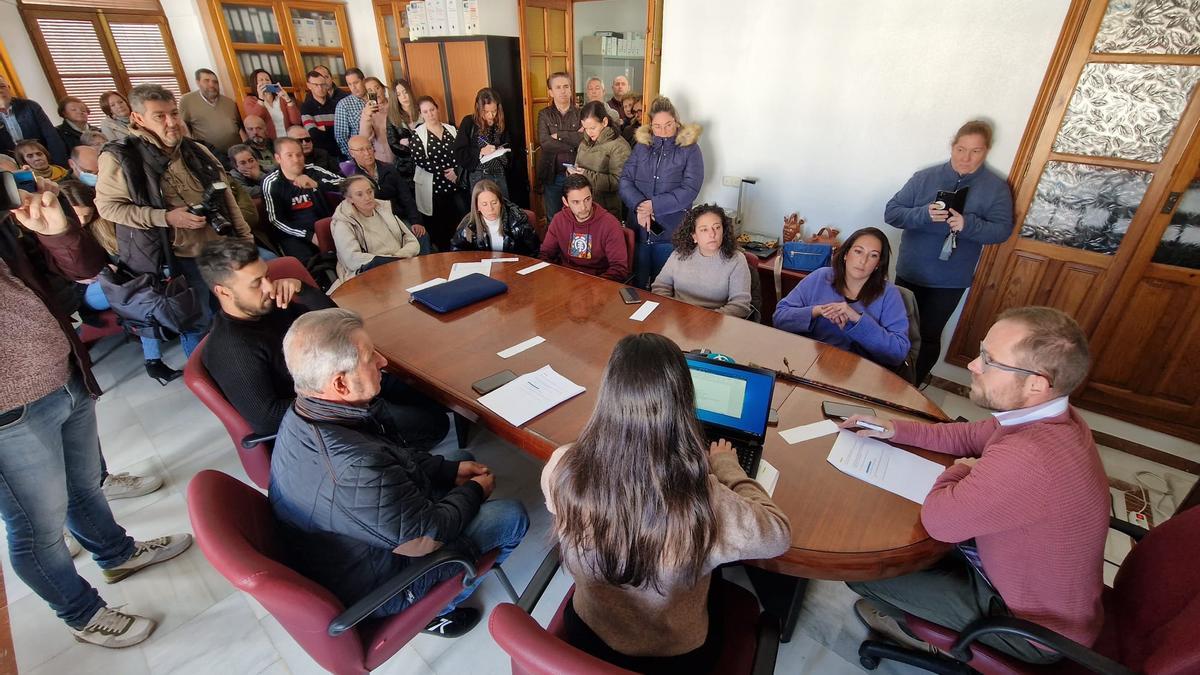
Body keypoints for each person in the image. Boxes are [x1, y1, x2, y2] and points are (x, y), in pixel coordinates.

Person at [843, 306, 1107, 665]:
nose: (973, 365)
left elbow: (939, 520)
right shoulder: (1054, 417)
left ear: (1036, 384)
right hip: (1032, 586)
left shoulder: (1031, 457)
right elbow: (970, 434)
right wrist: (892, 428)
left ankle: (926, 638)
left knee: (863, 567)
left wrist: (961, 472)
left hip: (1028, 628)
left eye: (988, 359)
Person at [0, 179, 192, 648]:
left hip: (63, 377)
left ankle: (117, 553)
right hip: (9, 415)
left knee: (85, 487)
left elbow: (85, 272)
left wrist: (59, 233)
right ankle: (81, 613)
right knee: (37, 528)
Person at [269, 308, 529, 636]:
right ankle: (436, 612)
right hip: (381, 582)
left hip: (358, 542)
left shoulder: (307, 412)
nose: (382, 361)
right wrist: (476, 491)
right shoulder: (354, 467)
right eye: (369, 357)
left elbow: (391, 456)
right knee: (511, 515)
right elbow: (426, 538)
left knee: (461, 458)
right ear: (340, 383)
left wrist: (448, 471)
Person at [542, 333, 791, 669]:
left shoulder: (562, 466)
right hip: (674, 659)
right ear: (685, 403)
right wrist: (728, 468)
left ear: (610, 396)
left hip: (587, 630)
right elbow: (777, 535)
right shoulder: (705, 501)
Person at [197, 239, 450, 445]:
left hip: (348, 382)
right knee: (435, 422)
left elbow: (336, 323)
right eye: (256, 284)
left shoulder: (269, 305)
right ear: (223, 291)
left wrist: (302, 289)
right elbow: (267, 419)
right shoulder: (233, 349)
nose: (268, 286)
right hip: (330, 417)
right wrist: (341, 395)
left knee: (430, 388)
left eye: (266, 275)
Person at [95, 83, 253, 357]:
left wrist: (245, 239)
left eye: (174, 114)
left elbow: (226, 197)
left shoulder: (196, 150)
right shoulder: (121, 156)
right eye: (160, 116)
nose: (171, 123)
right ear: (138, 118)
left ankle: (240, 365)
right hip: (178, 258)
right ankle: (208, 378)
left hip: (219, 247)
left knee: (236, 313)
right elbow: (108, 208)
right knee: (197, 323)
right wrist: (166, 217)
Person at [884, 119, 1015, 385]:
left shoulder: (996, 188)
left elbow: (1002, 231)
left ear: (986, 151)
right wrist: (923, 214)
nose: (966, 157)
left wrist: (969, 225)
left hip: (950, 281)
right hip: (910, 271)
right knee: (897, 329)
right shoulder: (924, 178)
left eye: (975, 151)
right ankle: (887, 381)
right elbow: (892, 213)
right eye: (960, 149)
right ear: (952, 146)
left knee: (929, 335)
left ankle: (912, 387)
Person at [59, 180, 187, 385]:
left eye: (86, 214)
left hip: (119, 282)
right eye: (76, 216)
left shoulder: (104, 223)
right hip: (82, 293)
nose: (82, 220)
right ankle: (156, 359)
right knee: (139, 292)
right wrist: (101, 272)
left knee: (142, 293)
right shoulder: (55, 235)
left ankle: (154, 362)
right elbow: (64, 278)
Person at [773, 227, 910, 367]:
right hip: (811, 364)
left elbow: (898, 352)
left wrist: (856, 319)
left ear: (878, 264)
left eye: (873, 255)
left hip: (864, 373)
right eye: (858, 251)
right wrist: (817, 311)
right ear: (846, 254)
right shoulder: (821, 276)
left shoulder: (889, 294)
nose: (863, 260)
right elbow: (779, 318)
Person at [620, 95, 704, 289]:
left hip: (669, 233)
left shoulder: (690, 149)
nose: (663, 131)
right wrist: (642, 207)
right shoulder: (642, 146)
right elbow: (625, 180)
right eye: (657, 126)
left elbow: (690, 190)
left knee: (665, 290)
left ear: (676, 121)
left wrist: (654, 205)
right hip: (639, 229)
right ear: (650, 125)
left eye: (668, 124)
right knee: (636, 287)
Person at [652, 204, 752, 318]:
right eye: (704, 229)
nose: (712, 234)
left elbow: (740, 306)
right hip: (678, 318)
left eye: (717, 227)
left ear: (724, 231)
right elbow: (660, 286)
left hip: (716, 323)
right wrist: (674, 311)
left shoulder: (737, 260)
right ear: (694, 236)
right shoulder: (679, 254)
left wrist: (705, 319)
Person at [330, 175, 419, 288]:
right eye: (359, 194)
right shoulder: (343, 223)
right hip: (368, 274)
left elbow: (412, 241)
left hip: (400, 265)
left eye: (369, 191)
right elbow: (352, 259)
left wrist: (398, 257)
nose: (367, 197)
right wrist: (388, 261)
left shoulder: (383, 209)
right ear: (349, 199)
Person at [261, 136, 343, 260]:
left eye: (299, 155)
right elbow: (276, 220)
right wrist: (309, 235)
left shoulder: (313, 170)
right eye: (289, 155)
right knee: (312, 263)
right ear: (278, 158)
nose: (296, 160)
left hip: (325, 226)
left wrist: (317, 184)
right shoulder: (271, 183)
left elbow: (347, 183)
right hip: (294, 234)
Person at [539, 174, 628, 281]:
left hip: (598, 284)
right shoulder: (559, 220)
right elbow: (545, 255)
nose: (583, 207)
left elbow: (619, 269)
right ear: (565, 202)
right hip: (565, 281)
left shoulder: (610, 224)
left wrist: (591, 286)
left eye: (587, 199)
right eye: (576, 202)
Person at [347, 134, 426, 249]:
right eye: (361, 150)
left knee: (421, 237)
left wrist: (416, 221)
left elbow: (406, 197)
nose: (367, 153)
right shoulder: (353, 178)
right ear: (352, 153)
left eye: (369, 148)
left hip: (398, 217)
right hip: (374, 224)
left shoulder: (389, 169)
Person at [412, 96, 462, 252]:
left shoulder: (452, 129)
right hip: (433, 187)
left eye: (432, 110)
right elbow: (419, 159)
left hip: (454, 182)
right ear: (421, 114)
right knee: (440, 227)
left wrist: (456, 171)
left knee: (459, 220)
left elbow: (461, 152)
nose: (430, 114)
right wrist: (443, 172)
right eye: (425, 112)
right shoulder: (418, 134)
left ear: (437, 109)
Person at [570, 101, 630, 217]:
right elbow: (578, 165)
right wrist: (572, 172)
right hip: (583, 206)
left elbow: (618, 182)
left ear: (604, 122)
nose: (589, 132)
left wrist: (585, 174)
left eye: (592, 127)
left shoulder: (619, 146)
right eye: (585, 128)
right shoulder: (585, 142)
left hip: (606, 209)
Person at [537, 72, 583, 221]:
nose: (563, 91)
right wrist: (572, 141)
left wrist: (559, 135)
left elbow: (584, 139)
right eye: (558, 87)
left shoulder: (581, 113)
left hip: (577, 173)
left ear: (570, 89)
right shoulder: (544, 114)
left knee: (578, 216)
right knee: (554, 218)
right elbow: (545, 142)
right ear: (550, 92)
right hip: (553, 175)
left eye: (566, 86)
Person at [451, 179, 539, 255]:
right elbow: (456, 251)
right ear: (477, 207)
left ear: (500, 202)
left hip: (513, 269)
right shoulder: (469, 225)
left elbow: (534, 252)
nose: (490, 209)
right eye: (484, 204)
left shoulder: (517, 221)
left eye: (494, 203)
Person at [453, 88, 510, 199]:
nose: (491, 115)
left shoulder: (500, 122)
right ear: (478, 108)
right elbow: (459, 152)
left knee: (503, 207)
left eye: (494, 111)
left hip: (499, 173)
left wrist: (503, 152)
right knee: (483, 210)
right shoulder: (469, 122)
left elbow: (508, 144)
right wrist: (480, 151)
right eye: (486, 112)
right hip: (479, 175)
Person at [0, 75, 69, 165]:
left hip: (41, 160)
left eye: (2, 86)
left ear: (9, 88)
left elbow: (52, 137)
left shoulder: (30, 106)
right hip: (10, 165)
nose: (0, 91)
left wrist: (60, 165)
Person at [179, 68, 244, 156]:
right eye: (206, 81)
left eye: (215, 82)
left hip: (235, 154)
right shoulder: (187, 101)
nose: (212, 85)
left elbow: (240, 127)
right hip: (210, 156)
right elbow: (183, 128)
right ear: (198, 82)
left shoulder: (230, 102)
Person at [241, 69, 301, 140]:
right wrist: (261, 98)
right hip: (268, 142)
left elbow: (296, 121)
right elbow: (255, 122)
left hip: (288, 140)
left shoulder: (281, 99)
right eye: (261, 80)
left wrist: (288, 99)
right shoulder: (250, 100)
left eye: (267, 79)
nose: (265, 82)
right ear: (255, 84)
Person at [300, 69, 341, 160]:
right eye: (316, 85)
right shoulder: (306, 107)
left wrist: (324, 128)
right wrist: (331, 128)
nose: (320, 88)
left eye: (322, 84)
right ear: (309, 85)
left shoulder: (336, 105)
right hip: (319, 155)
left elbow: (341, 131)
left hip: (338, 151)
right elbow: (313, 133)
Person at [386, 78, 420, 181]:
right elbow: (393, 144)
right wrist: (415, 149)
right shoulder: (392, 117)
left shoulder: (421, 110)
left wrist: (409, 142)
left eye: (405, 92)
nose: (404, 97)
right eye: (399, 95)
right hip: (405, 167)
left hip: (427, 162)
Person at [358, 77, 395, 166]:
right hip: (384, 159)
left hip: (403, 155)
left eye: (377, 88)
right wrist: (367, 116)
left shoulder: (394, 104)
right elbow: (364, 138)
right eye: (370, 90)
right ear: (367, 95)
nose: (375, 92)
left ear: (383, 89)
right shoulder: (367, 112)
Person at [333, 68, 369, 158]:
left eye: (356, 83)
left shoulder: (375, 98)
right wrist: (353, 157)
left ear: (363, 81)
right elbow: (341, 137)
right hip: (361, 154)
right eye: (350, 84)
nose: (353, 87)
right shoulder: (344, 105)